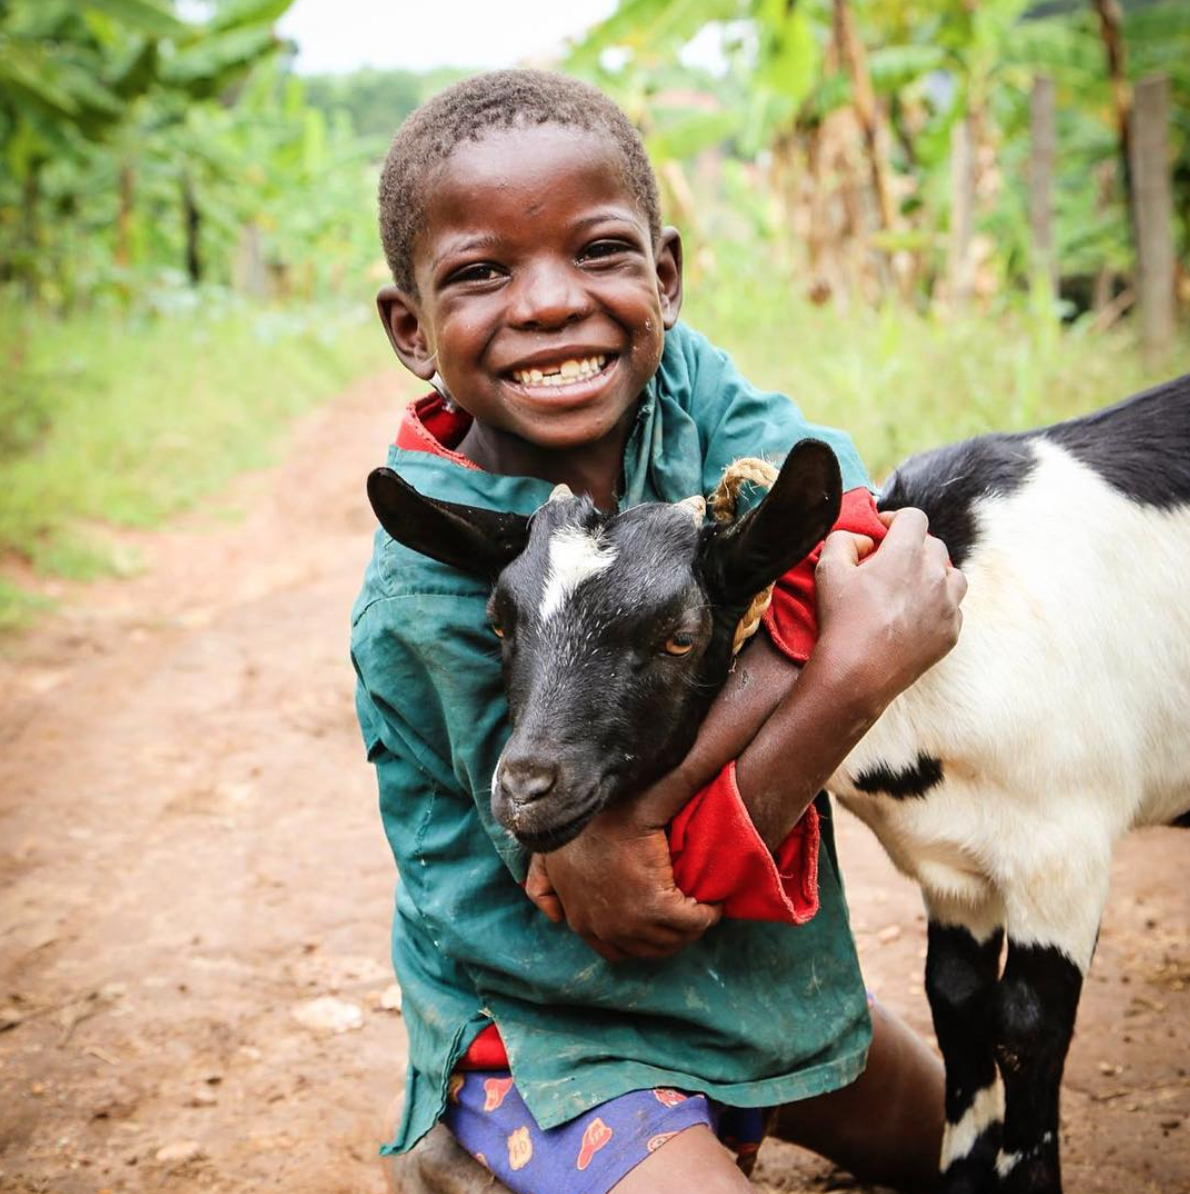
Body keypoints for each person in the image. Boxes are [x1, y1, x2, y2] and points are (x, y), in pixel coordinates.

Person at [351, 69, 965, 1194]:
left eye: (597, 252)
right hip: (557, 1029)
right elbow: (624, 897)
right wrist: (844, 677)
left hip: (751, 986)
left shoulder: (683, 390)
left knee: (965, 1150)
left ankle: (745, 1084)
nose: (547, 303)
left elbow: (840, 518)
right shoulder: (430, 599)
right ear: (411, 326)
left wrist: (634, 805)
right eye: (481, 273)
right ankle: (467, 1132)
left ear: (664, 277)